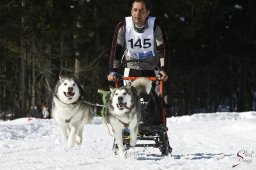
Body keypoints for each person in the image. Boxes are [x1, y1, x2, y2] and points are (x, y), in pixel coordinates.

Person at [107, 0, 170, 126]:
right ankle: (127, 124)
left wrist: (164, 69)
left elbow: (163, 48)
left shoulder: (155, 25)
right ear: (131, 11)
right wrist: (113, 70)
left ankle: (156, 123)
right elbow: (116, 49)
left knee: (155, 97)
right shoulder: (123, 26)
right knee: (127, 97)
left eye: (141, 10)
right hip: (131, 66)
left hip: (151, 67)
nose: (137, 13)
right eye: (135, 10)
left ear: (147, 12)